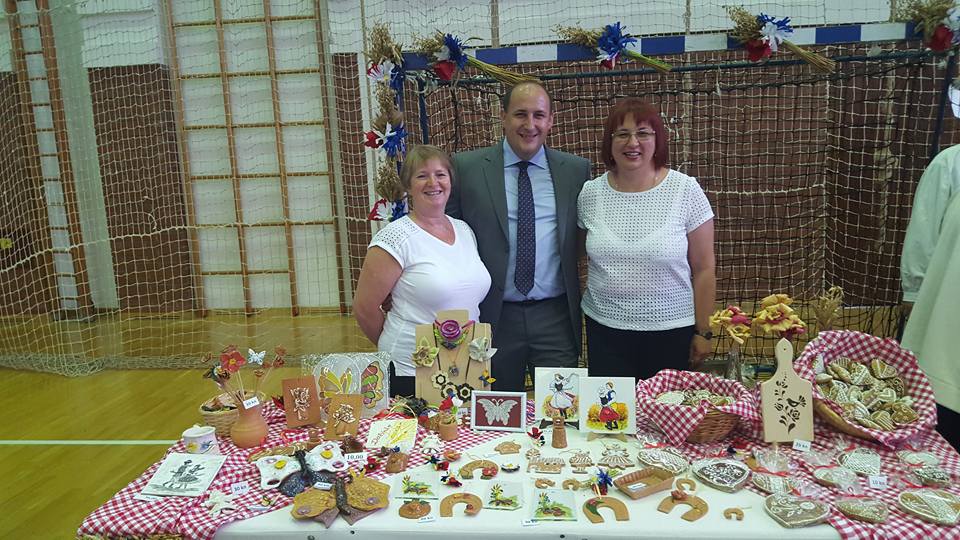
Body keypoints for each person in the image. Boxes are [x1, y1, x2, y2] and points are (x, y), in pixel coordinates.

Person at [447, 81, 592, 392]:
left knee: (560, 409)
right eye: (520, 114)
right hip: (492, 316)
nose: (530, 124)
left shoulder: (575, 171)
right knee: (495, 412)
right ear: (503, 117)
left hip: (555, 318)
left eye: (538, 115)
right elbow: (443, 236)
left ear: (550, 120)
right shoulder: (467, 168)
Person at [578, 98, 715, 381]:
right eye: (622, 134)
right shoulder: (590, 193)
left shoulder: (686, 190)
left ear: (657, 139)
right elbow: (578, 256)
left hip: (671, 332)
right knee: (611, 410)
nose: (633, 143)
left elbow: (704, 268)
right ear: (610, 142)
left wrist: (703, 331)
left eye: (643, 133)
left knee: (664, 409)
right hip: (605, 332)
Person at [354, 145, 492, 397]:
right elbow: (364, 308)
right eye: (422, 176)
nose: (433, 183)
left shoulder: (464, 230)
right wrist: (397, 346)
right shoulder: (395, 238)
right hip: (411, 369)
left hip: (465, 365)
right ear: (408, 185)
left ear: (450, 181)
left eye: (440, 174)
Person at [900, 144, 960, 449]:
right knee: (939, 398)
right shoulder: (950, 162)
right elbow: (923, 234)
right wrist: (913, 290)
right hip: (945, 309)